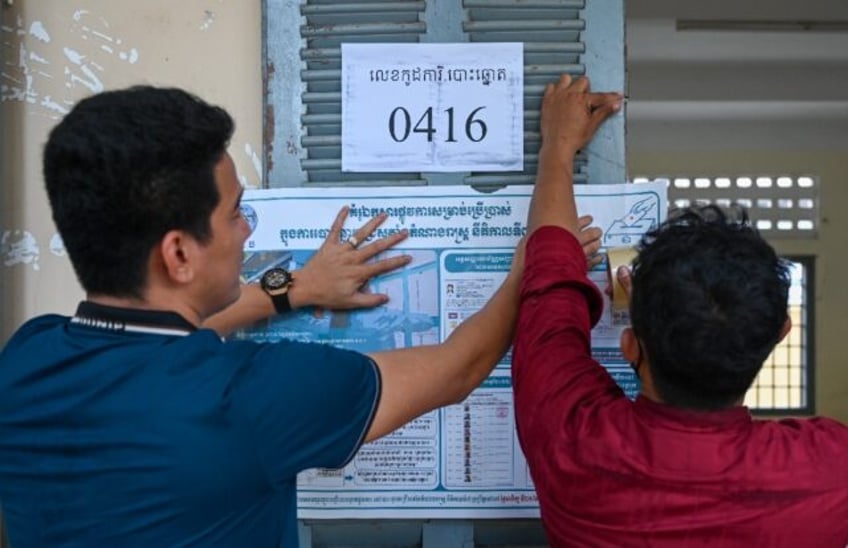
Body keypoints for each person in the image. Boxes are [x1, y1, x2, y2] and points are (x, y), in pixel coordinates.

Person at [0, 85, 602, 547]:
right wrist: (536, 264)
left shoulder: (27, 358)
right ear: (178, 254)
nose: (247, 231)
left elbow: (161, 353)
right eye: (238, 213)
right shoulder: (251, 396)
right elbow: (458, 367)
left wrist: (294, 289)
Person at [512, 74, 848, 546]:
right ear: (781, 333)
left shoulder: (572, 437)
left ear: (630, 343)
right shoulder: (831, 469)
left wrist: (558, 150)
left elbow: (550, 276)